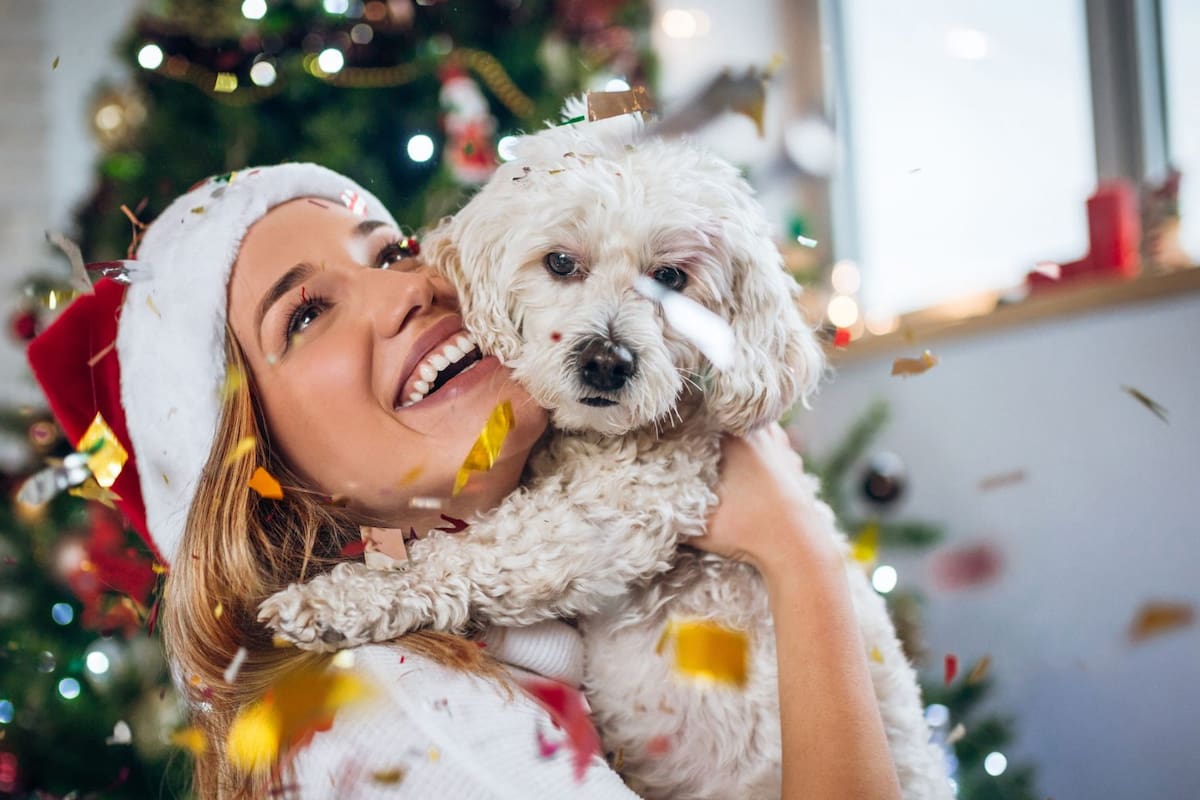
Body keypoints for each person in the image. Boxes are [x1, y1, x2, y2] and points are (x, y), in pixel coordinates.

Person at [29, 163, 901, 799]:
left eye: (393, 250)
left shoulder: (525, 634)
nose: (413, 288)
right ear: (264, 473)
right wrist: (800, 556)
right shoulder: (394, 720)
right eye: (306, 314)